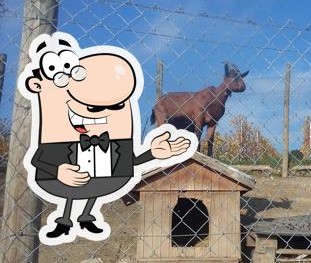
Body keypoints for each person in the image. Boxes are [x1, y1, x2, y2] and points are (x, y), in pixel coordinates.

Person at [19, 31, 197, 243]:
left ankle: (86, 216)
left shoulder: (113, 142)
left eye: (115, 106)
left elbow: (126, 163)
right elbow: (37, 159)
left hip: (102, 177)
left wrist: (153, 154)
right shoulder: (56, 140)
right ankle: (64, 221)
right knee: (73, 189)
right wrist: (58, 170)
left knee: (96, 184)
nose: (99, 112)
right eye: (93, 106)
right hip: (63, 178)